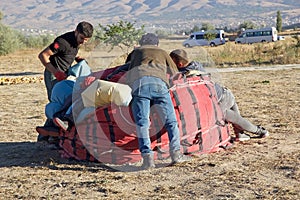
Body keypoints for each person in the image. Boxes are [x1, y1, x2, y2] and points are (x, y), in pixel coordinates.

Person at [169, 49, 269, 142]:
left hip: (220, 99)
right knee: (238, 125)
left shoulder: (186, 74)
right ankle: (242, 134)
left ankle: (260, 131)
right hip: (225, 93)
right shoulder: (196, 65)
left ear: (180, 64)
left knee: (235, 119)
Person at [126, 33, 191, 170]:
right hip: (159, 85)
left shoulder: (136, 52)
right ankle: (176, 154)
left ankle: (147, 159)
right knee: (171, 122)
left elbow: (127, 68)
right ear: (156, 44)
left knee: (142, 123)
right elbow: (174, 71)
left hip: (140, 85)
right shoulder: (162, 52)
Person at [36, 21, 94, 143]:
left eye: (86, 40)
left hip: (63, 76)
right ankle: (46, 136)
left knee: (62, 104)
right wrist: (56, 72)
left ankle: (51, 135)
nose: (83, 41)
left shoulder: (76, 42)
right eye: (82, 38)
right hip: (53, 75)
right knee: (57, 104)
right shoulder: (62, 42)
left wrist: (76, 59)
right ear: (76, 32)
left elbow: (65, 56)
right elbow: (43, 55)